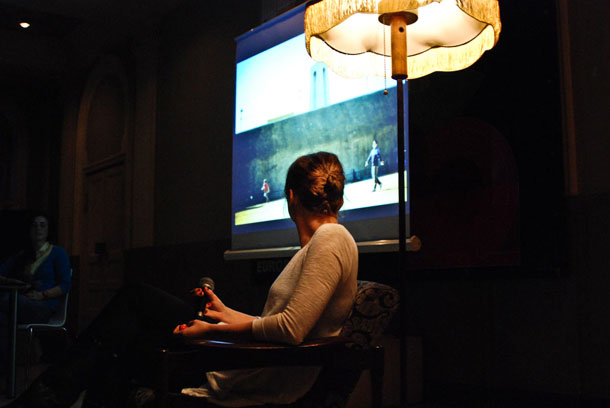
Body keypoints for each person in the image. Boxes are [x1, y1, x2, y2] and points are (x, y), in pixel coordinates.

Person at [10, 152, 358, 408]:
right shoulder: (320, 245)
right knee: (124, 339)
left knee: (135, 304)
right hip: (253, 357)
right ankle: (48, 398)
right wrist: (223, 313)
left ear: (291, 196)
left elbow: (290, 329)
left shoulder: (331, 239)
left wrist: (210, 331)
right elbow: (278, 323)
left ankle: (44, 398)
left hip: (257, 369)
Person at [0, 212, 71, 389]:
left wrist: (42, 295)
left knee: (6, 301)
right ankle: (6, 376)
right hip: (20, 302)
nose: (38, 229)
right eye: (34, 225)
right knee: (2, 318)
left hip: (43, 306)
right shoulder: (22, 254)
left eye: (42, 225)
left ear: (48, 230)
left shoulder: (58, 253)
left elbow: (65, 284)